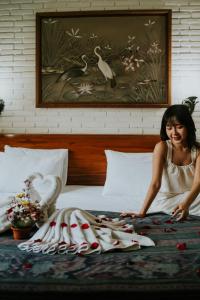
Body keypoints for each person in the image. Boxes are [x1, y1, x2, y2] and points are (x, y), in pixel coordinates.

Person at [121, 104, 200, 221]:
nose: (174, 132)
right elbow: (155, 184)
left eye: (179, 127)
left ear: (188, 126)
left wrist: (186, 204)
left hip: (191, 200)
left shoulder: (197, 150)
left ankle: (185, 209)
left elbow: (198, 182)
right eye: (169, 128)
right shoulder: (162, 147)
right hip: (167, 201)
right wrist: (142, 213)